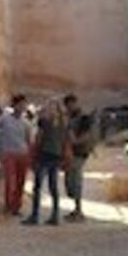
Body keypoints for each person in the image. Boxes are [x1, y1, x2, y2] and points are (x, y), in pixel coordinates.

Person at [23, 99, 67, 226]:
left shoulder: (44, 122)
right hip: (56, 155)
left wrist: (33, 154)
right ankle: (55, 215)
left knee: (37, 186)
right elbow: (64, 141)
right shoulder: (63, 124)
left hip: (44, 155)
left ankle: (35, 215)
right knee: (53, 187)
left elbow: (38, 139)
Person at [0, 94, 32, 216]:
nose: (22, 107)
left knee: (21, 182)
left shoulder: (26, 122)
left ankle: (16, 207)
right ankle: (8, 205)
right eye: (20, 104)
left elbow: (28, 140)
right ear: (14, 105)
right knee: (10, 181)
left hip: (22, 154)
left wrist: (30, 156)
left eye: (24, 105)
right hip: (9, 154)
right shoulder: (5, 118)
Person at [63, 94, 95, 222]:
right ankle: (76, 209)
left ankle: (78, 210)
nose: (70, 107)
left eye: (72, 104)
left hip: (79, 153)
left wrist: (75, 141)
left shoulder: (83, 118)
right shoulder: (68, 118)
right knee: (69, 182)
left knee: (75, 181)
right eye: (68, 105)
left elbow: (87, 135)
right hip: (69, 153)